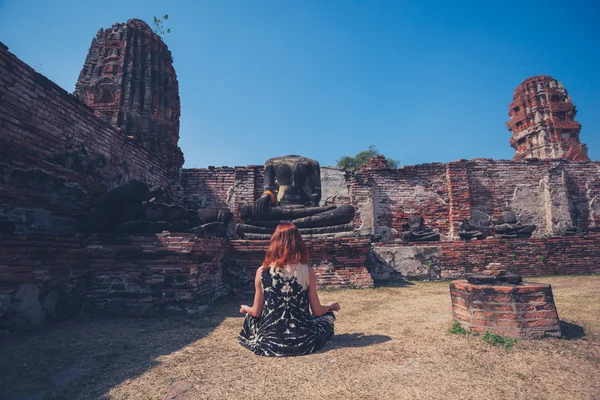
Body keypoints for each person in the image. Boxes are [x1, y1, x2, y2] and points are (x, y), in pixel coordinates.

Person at [238, 222, 341, 356]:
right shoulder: (307, 271)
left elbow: (256, 312)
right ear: (298, 243)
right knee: (327, 317)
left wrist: (245, 308)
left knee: (250, 317)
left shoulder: (262, 272)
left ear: (274, 243)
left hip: (270, 344)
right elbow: (317, 311)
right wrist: (330, 306)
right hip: (304, 343)